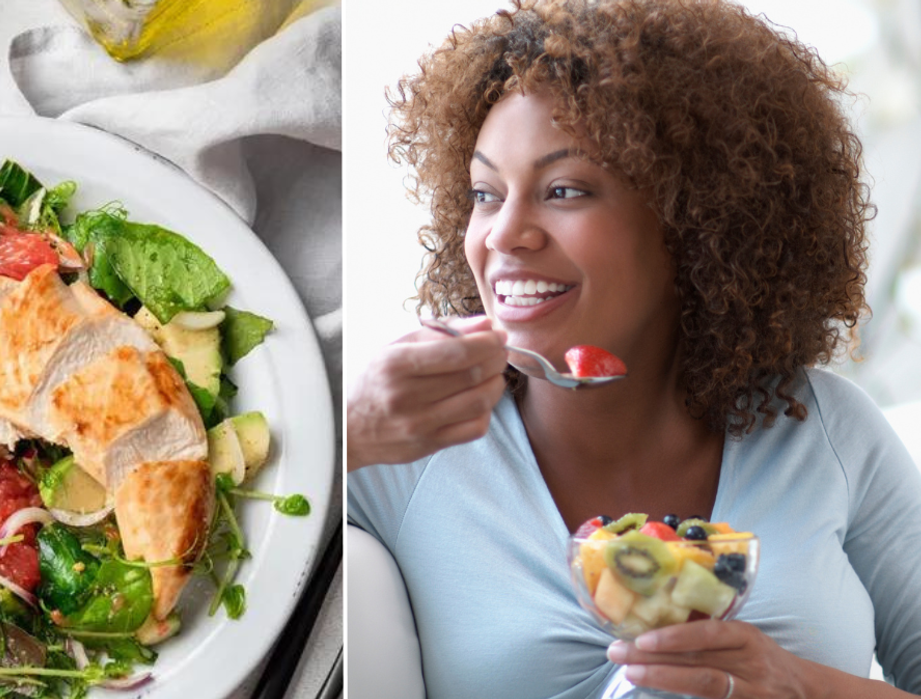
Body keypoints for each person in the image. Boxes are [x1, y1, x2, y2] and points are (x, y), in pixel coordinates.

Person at [345, 1, 921, 697]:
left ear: (694, 219)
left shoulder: (830, 433)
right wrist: (351, 431)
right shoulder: (397, 451)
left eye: (563, 190)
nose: (502, 234)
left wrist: (795, 683)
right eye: (485, 193)